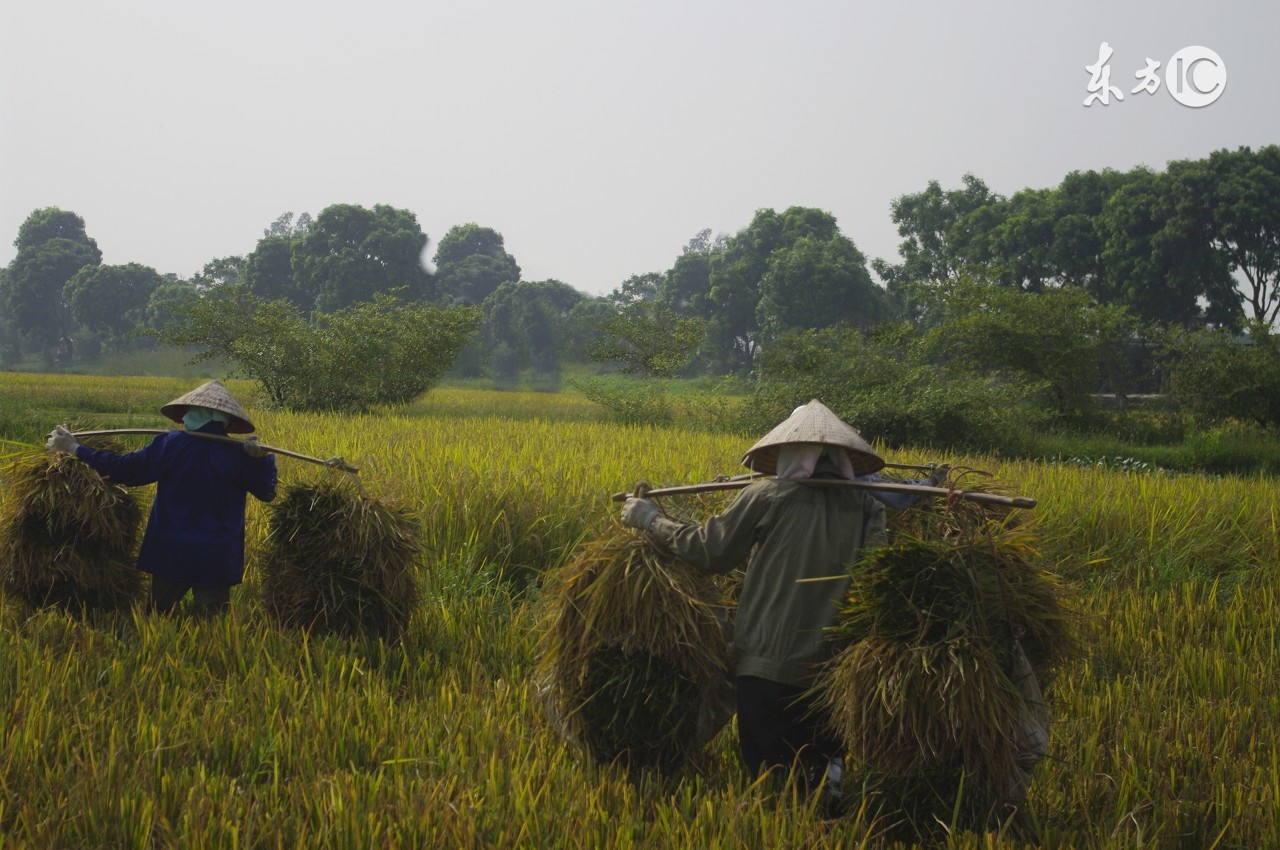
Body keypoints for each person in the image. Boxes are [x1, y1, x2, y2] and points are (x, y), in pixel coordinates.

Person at [621, 399, 887, 810]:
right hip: (836, 671)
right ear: (844, 458)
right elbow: (876, 579)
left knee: (771, 783)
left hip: (768, 664)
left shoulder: (767, 495)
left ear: (791, 453)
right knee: (822, 778)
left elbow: (711, 551)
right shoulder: (870, 506)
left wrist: (651, 520)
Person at [46, 380, 277, 617]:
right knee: (211, 623)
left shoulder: (171, 444)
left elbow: (126, 471)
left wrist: (75, 449)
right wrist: (260, 462)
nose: (185, 417)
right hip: (217, 552)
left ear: (202, 414)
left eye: (190, 411)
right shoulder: (239, 454)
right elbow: (267, 492)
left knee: (158, 616)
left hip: (172, 547)